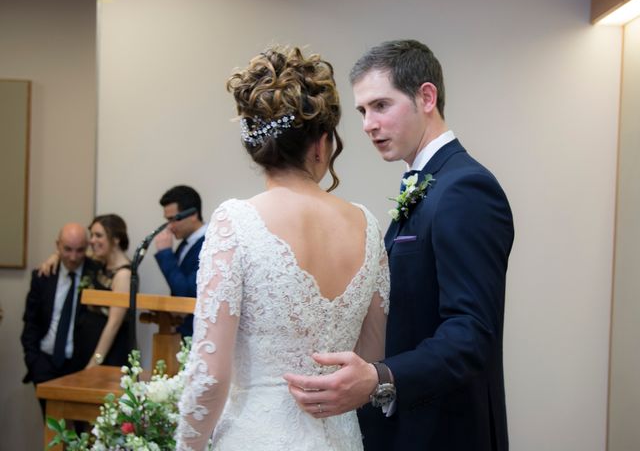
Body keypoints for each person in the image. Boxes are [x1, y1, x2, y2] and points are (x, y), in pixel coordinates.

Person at [284, 39, 515, 451]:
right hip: (412, 427)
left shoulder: (466, 188)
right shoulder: (429, 184)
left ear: (426, 97)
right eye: (362, 111)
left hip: (446, 431)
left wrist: (380, 377)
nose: (368, 124)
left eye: (380, 106)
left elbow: (471, 333)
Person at [174, 45, 390, 451]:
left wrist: (187, 446)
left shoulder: (234, 224)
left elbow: (210, 378)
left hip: (256, 436)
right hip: (341, 439)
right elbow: (371, 356)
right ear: (321, 144)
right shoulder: (368, 227)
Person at [21, 223, 101, 416]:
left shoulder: (97, 274)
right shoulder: (44, 275)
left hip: (80, 367)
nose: (73, 257)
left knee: (83, 433)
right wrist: (34, 361)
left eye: (80, 250)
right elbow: (30, 322)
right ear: (57, 245)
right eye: (67, 249)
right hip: (45, 363)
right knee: (53, 430)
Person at [79, 214, 132, 367]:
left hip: (109, 353)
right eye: (92, 235)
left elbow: (114, 323)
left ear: (116, 239)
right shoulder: (100, 262)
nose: (92, 240)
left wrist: (95, 361)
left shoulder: (123, 275)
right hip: (90, 343)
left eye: (98, 235)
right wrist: (54, 257)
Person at [154, 185, 206, 337]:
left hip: (197, 332)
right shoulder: (185, 243)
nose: (169, 227)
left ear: (193, 214)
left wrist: (165, 254)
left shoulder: (208, 244)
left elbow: (187, 293)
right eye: (167, 220)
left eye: (173, 219)